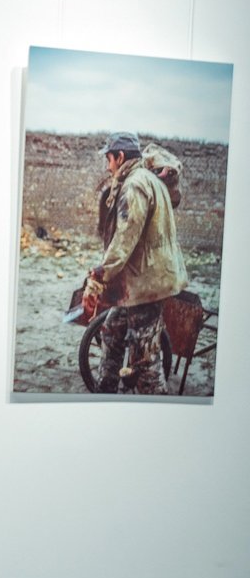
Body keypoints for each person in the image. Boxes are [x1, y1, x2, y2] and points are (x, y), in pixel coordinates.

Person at [85, 131, 187, 394]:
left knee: (145, 362)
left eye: (109, 159)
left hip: (148, 286)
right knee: (112, 330)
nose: (107, 167)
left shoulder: (135, 185)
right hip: (141, 282)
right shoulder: (145, 178)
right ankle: (105, 391)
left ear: (120, 157)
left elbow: (124, 240)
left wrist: (99, 276)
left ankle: (157, 406)